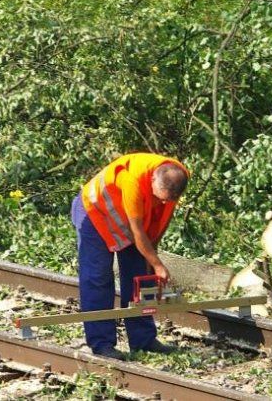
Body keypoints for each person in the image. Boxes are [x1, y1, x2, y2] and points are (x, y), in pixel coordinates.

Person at [71, 153, 189, 360]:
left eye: (165, 200)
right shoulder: (132, 180)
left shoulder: (177, 176)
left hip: (129, 220)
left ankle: (143, 340)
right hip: (95, 214)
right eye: (158, 198)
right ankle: (102, 344)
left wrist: (152, 258)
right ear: (152, 179)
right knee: (98, 278)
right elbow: (137, 233)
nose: (161, 203)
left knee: (139, 277)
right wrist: (158, 265)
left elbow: (161, 220)